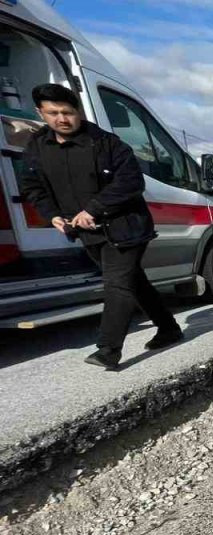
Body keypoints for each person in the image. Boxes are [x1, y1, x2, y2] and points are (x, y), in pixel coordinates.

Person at [19, 83, 182, 370]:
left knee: (117, 284)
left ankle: (108, 349)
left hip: (126, 226)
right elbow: (31, 186)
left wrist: (93, 208)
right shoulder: (37, 147)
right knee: (134, 281)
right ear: (40, 113)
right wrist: (52, 215)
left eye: (67, 112)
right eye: (53, 113)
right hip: (87, 232)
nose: (62, 119)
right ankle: (168, 328)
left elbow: (131, 182)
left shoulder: (107, 144)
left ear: (78, 112)